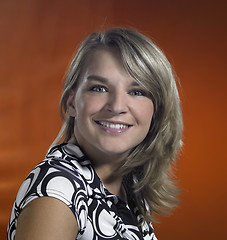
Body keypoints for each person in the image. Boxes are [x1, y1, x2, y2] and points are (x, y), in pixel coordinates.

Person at [7, 27, 183, 240]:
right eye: (99, 88)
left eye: (137, 92)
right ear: (72, 102)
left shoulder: (127, 185)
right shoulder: (57, 194)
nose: (117, 106)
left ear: (158, 110)